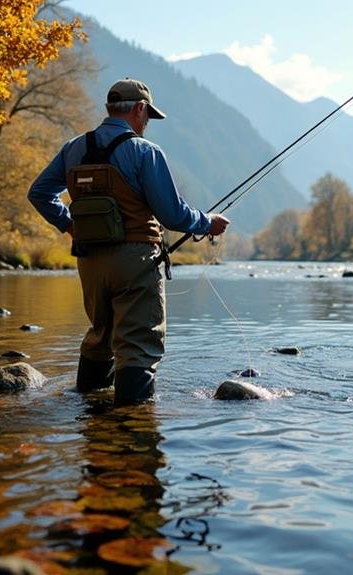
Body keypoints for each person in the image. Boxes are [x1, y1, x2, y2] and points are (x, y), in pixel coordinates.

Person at [28, 78, 229, 403]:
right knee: (137, 345)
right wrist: (207, 222)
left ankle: (88, 413)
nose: (147, 122)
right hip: (135, 261)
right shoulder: (144, 151)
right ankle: (131, 430)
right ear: (138, 109)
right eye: (147, 115)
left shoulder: (73, 148)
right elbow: (172, 215)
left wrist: (69, 225)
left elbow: (39, 193)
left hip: (90, 261)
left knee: (100, 336)